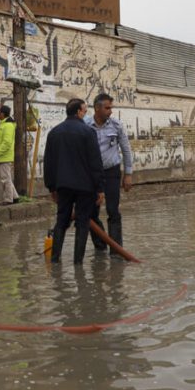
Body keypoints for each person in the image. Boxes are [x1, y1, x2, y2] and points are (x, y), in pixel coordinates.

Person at [42, 98, 104, 264]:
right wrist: (99, 188)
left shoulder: (54, 133)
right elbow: (95, 163)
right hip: (85, 187)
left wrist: (51, 187)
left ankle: (54, 260)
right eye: (84, 111)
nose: (85, 114)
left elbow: (49, 163)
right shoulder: (88, 132)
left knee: (61, 221)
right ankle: (78, 263)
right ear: (78, 112)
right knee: (82, 223)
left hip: (63, 186)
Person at [87, 93, 134, 256]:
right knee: (92, 212)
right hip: (92, 175)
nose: (110, 111)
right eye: (107, 108)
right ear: (97, 108)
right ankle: (101, 246)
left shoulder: (116, 125)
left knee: (113, 210)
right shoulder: (85, 125)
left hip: (112, 172)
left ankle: (116, 251)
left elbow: (126, 149)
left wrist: (128, 174)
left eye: (111, 108)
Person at [0, 104, 21, 205]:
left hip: (4, 156)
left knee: (5, 179)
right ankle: (15, 197)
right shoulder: (4, 124)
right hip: (3, 156)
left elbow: (7, 142)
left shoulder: (8, 125)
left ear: (2, 114)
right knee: (6, 178)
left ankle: (8, 200)